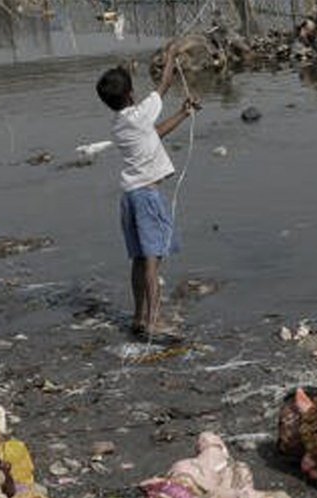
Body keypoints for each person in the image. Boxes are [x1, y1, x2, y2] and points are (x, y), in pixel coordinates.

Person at [96, 55, 199, 339]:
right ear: (131, 94)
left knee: (140, 260)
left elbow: (153, 134)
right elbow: (164, 84)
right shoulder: (140, 114)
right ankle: (154, 321)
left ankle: (139, 317)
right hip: (146, 197)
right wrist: (171, 55)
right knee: (153, 263)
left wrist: (183, 114)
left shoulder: (120, 124)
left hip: (130, 198)